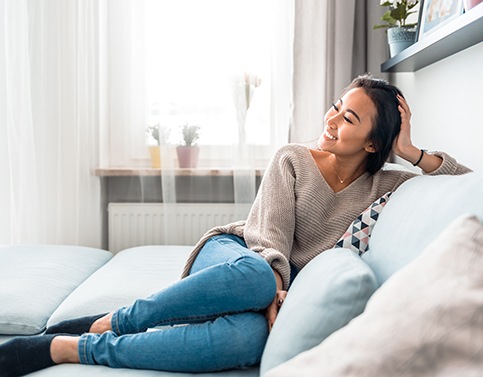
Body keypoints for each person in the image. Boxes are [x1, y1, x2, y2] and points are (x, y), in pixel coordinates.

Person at [0, 74, 472, 376]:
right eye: (335, 106)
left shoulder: (386, 185)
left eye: (349, 118)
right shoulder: (293, 158)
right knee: (252, 274)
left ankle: (71, 348)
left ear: (374, 144)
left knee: (245, 341)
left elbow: (467, 186)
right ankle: (114, 322)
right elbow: (266, 239)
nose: (331, 120)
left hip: (273, 286)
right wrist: (274, 284)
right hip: (238, 254)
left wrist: (410, 151)